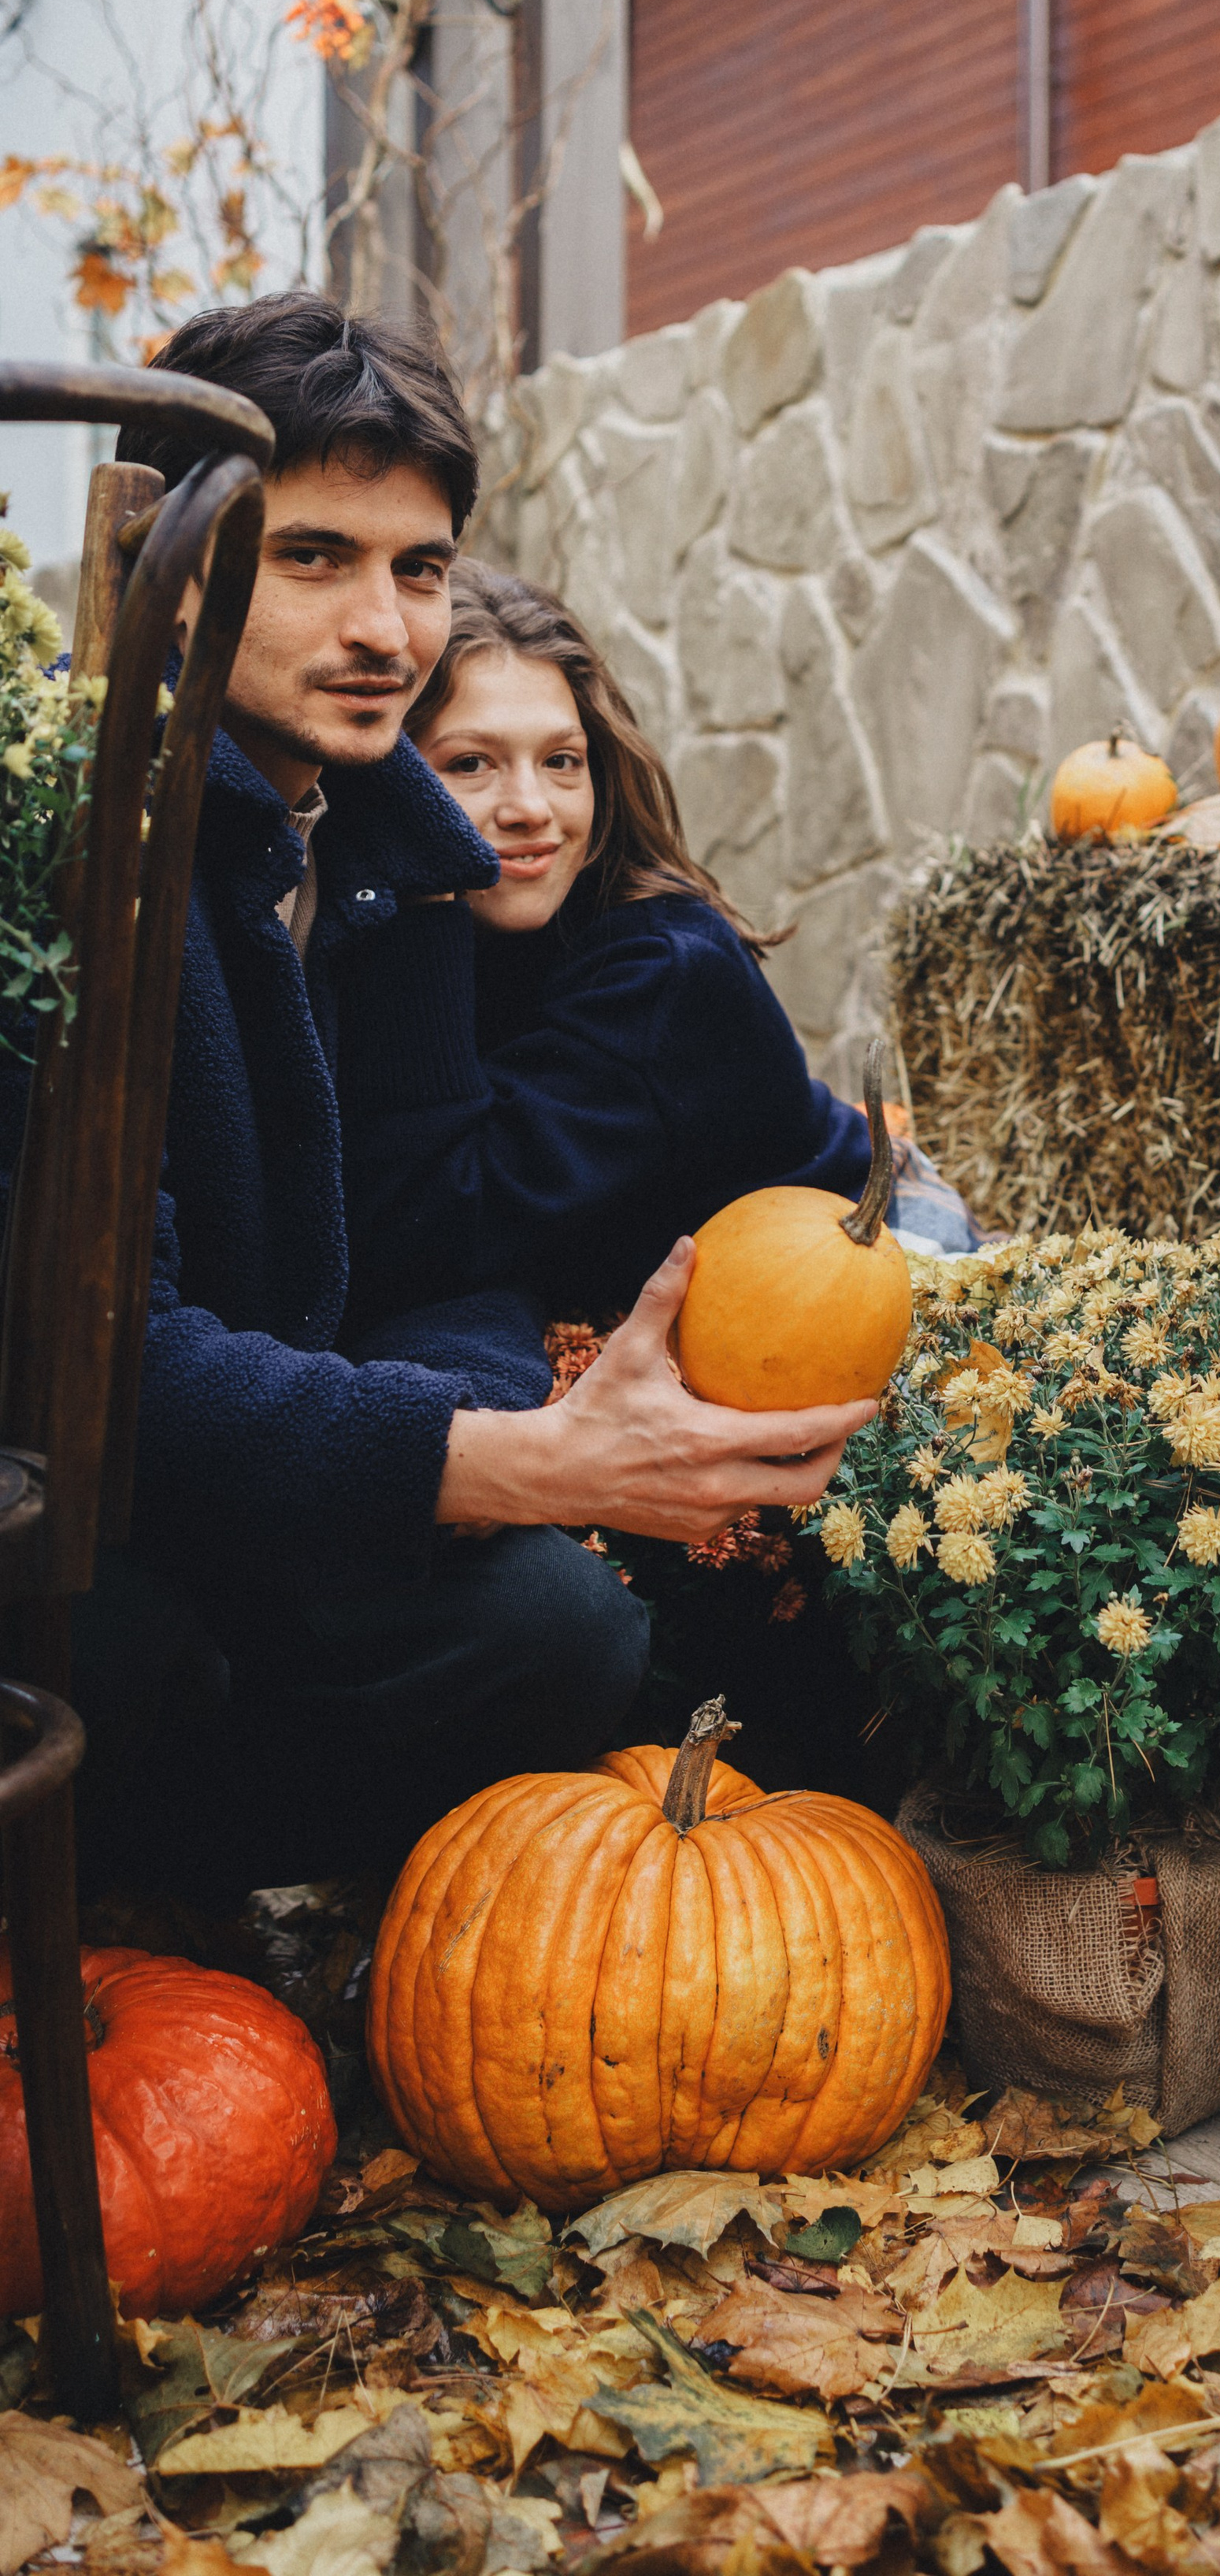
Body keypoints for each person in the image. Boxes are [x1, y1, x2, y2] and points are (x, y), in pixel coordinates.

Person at [10, 294, 870, 1899]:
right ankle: (150, 1928)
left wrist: (494, 1435)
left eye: (417, 569)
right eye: (313, 557)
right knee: (133, 1645)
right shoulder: (83, 856)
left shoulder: (392, 865)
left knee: (560, 1627)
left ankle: (306, 1908)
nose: (386, 630)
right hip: (88, 1502)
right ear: (176, 561)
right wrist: (498, 1462)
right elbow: (110, 1362)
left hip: (282, 1457)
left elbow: (428, 1251)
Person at [338, 563, 887, 1330]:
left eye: (561, 761)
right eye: (470, 764)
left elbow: (428, 1235)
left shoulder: (660, 974)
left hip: (872, 1268)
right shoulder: (403, 927)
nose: (532, 809)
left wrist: (427, 898)